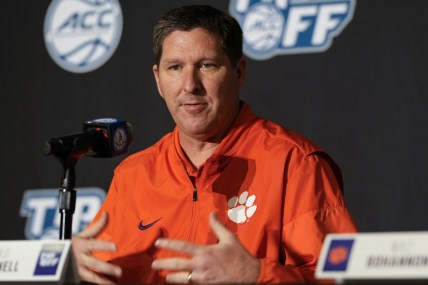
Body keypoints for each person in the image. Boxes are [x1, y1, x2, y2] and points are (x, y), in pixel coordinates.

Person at [72, 4, 357, 284]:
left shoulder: (295, 163)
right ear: (158, 80)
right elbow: (104, 269)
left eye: (207, 65)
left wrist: (257, 276)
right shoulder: (132, 175)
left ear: (239, 72)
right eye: (175, 67)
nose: (189, 84)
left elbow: (341, 276)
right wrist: (78, 266)